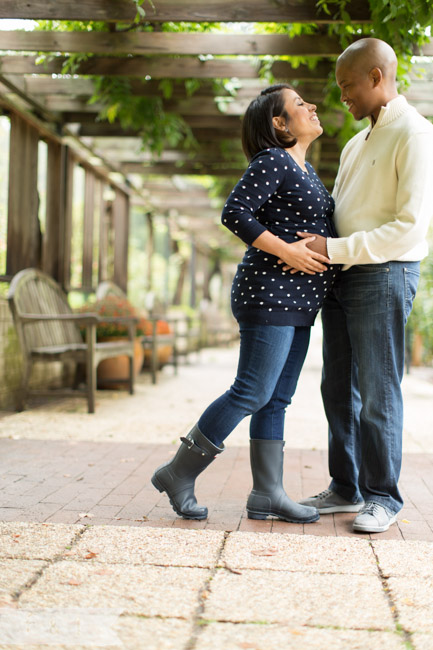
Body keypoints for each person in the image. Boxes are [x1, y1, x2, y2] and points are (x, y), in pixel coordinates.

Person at [151, 84, 339, 523]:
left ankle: (268, 494)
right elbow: (235, 211)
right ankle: (178, 472)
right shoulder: (273, 160)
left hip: (298, 301)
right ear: (279, 123)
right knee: (252, 391)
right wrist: (287, 251)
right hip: (269, 293)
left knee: (276, 399)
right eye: (299, 105)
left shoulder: (306, 171)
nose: (311, 107)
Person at [297, 38, 433, 533]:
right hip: (343, 277)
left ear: (377, 77)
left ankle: (383, 496)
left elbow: (410, 228)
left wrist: (332, 249)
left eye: (348, 85)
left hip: (384, 274)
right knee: (337, 389)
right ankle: (346, 486)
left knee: (378, 392)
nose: (342, 98)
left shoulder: (415, 134)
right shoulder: (357, 142)